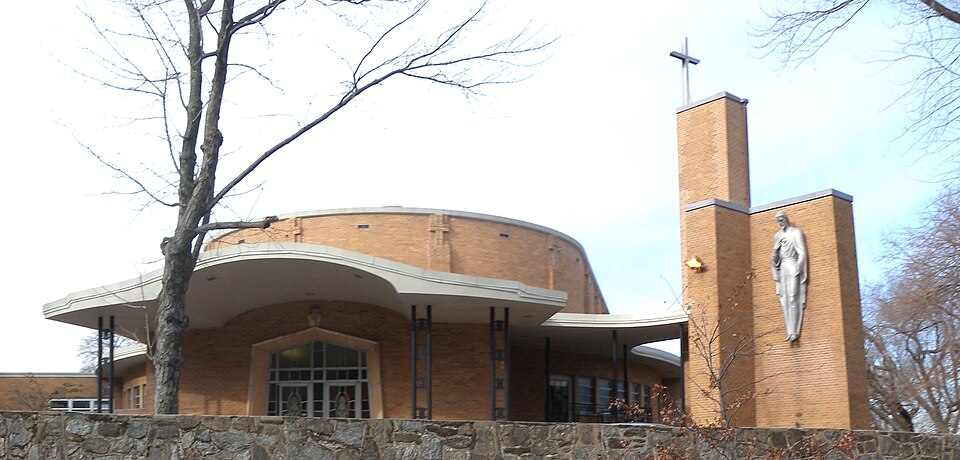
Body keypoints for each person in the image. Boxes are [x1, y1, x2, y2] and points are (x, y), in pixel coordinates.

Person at [770, 211, 808, 342]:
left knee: (793, 297)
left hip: (792, 265)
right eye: (778, 220)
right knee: (784, 300)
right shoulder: (778, 236)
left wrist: (799, 266)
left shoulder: (795, 233)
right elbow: (774, 260)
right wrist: (776, 249)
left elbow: (801, 252)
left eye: (781, 219)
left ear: (786, 219)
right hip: (783, 269)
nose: (780, 222)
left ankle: (795, 330)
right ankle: (789, 330)